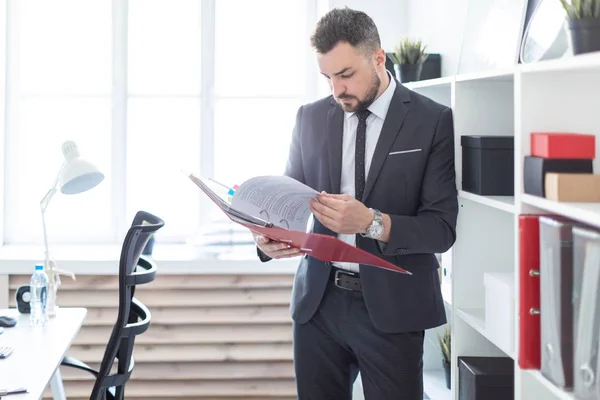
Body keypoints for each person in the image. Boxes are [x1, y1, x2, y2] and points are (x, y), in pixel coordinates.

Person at [253, 7, 458, 400]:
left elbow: (442, 229)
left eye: (345, 75)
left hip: (393, 311)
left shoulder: (431, 121)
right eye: (327, 77)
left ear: (378, 58)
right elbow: (287, 205)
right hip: (318, 305)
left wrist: (371, 222)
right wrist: (270, 239)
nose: (336, 90)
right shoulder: (309, 118)